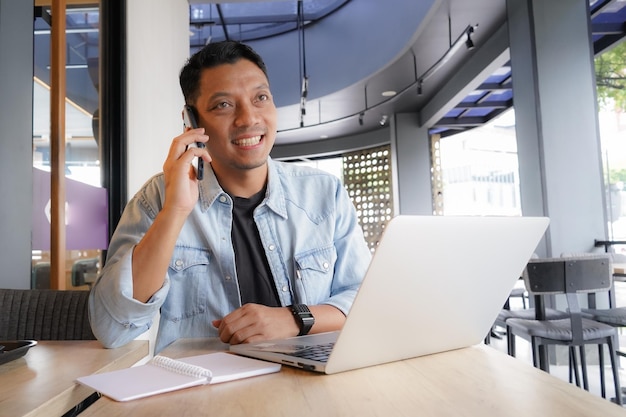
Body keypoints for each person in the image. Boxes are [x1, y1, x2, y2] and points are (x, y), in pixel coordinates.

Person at [89, 40, 372, 354]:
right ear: (191, 121)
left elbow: (365, 301)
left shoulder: (324, 193)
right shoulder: (157, 199)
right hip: (200, 392)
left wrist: (294, 319)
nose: (249, 118)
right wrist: (175, 210)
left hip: (309, 384)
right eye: (223, 105)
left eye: (260, 98)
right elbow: (111, 329)